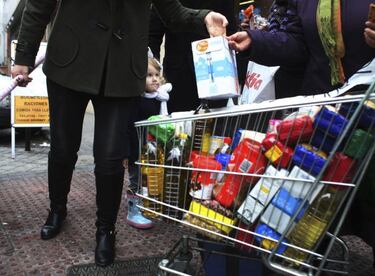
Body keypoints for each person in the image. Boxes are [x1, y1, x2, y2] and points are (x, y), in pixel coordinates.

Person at [11, 0, 228, 267]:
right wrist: (23, 55)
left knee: (111, 158)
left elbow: (173, 13)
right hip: (68, 61)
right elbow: (38, 4)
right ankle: (57, 208)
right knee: (63, 148)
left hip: (121, 71)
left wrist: (204, 17)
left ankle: (106, 229)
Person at [227, 1, 375, 275]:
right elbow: (296, 44)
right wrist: (254, 41)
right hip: (326, 106)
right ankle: (314, 256)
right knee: (322, 193)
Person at [149, 0, 239, 113]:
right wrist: (152, 70)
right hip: (179, 73)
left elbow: (229, 28)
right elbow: (153, 34)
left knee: (215, 123)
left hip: (216, 71)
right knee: (180, 125)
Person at [126, 55, 172, 230]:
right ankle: (133, 211)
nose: (154, 79)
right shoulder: (137, 100)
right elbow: (130, 126)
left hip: (155, 150)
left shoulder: (162, 98)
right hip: (137, 149)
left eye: (156, 75)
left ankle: (148, 206)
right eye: (148, 75)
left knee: (150, 180)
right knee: (136, 181)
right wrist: (128, 153)